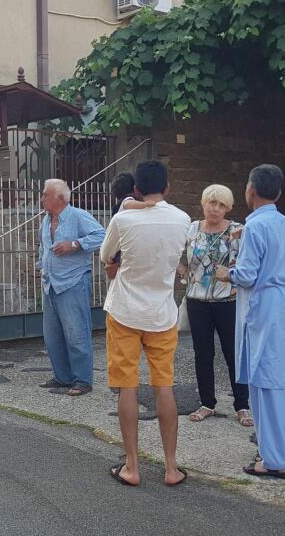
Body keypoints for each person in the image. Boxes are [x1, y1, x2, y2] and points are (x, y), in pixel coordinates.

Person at [99, 160, 191, 487]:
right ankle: (171, 468)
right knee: (163, 385)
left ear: (136, 189)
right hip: (162, 313)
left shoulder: (123, 219)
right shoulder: (182, 219)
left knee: (128, 386)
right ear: (167, 187)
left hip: (124, 310)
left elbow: (106, 255)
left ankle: (132, 467)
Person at [215, 164, 285, 480]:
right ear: (278, 193)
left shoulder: (254, 227)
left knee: (266, 382)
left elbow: (247, 275)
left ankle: (276, 459)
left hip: (264, 307)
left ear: (250, 190)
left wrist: (227, 273)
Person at [181, 184, 253, 427]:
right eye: (212, 203)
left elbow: (249, 261)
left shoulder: (237, 230)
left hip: (228, 301)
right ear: (203, 203)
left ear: (228, 208)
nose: (216, 209)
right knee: (203, 354)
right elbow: (172, 254)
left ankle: (242, 405)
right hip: (197, 302)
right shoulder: (191, 228)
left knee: (234, 354)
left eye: (222, 205)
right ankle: (207, 403)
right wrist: (183, 273)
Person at [38, 178, 106, 397]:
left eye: (45, 194)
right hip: (50, 284)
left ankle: (82, 380)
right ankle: (63, 377)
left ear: (59, 198)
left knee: (76, 334)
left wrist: (75, 244)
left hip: (73, 282)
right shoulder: (46, 220)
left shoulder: (78, 216)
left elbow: (101, 236)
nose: (42, 198)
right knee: (53, 336)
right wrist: (41, 266)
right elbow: (43, 247)